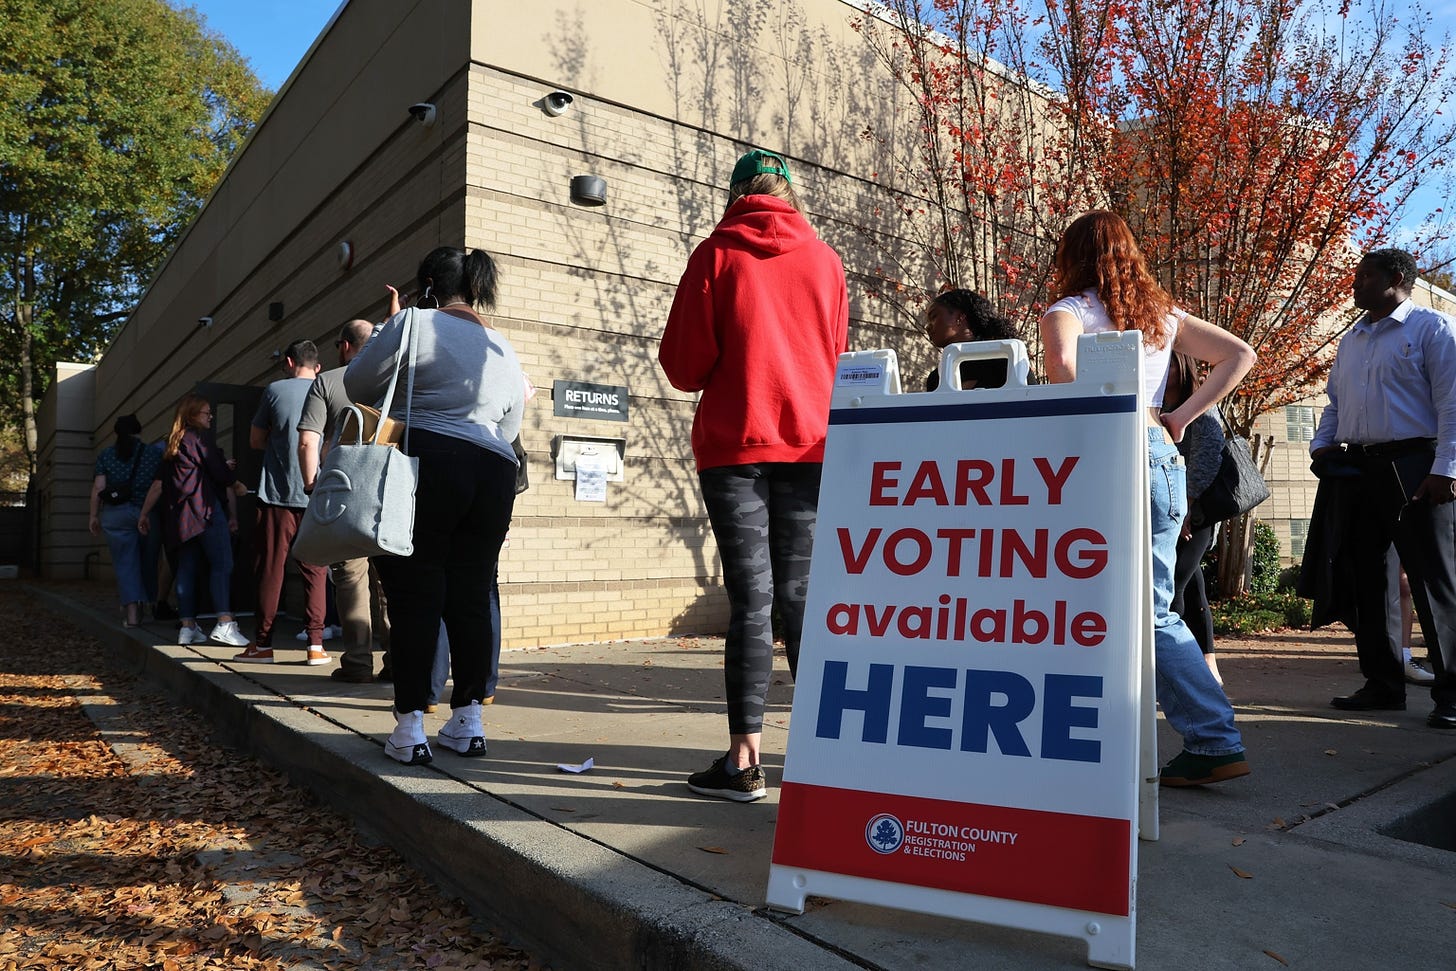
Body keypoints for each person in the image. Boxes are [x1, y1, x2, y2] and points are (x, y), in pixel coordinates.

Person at [1039, 210, 1255, 786]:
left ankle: (1213, 737)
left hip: (1103, 459)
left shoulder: (1070, 311)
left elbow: (1060, 371)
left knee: (1127, 607)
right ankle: (1132, 730)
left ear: (1072, 256)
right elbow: (1241, 354)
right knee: (1139, 603)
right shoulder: (1160, 316)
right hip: (1160, 454)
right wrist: (1180, 416)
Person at [659, 149, 849, 801]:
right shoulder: (825, 262)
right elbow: (835, 353)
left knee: (753, 599)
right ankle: (826, 758)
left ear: (736, 194)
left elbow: (683, 367)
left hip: (736, 450)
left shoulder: (715, 255)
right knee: (802, 599)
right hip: (809, 446)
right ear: (791, 194)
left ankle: (744, 761)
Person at [345, 246, 524, 765]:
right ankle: (468, 721)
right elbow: (508, 427)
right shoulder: (501, 346)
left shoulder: (412, 323)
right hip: (492, 470)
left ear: (427, 285)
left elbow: (357, 384)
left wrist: (390, 329)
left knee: (416, 591)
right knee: (471, 592)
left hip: (429, 461)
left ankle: (410, 727)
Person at [1314, 248, 1456, 729]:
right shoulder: (1352, 338)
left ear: (1396, 278)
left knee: (1432, 578)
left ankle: (1452, 693)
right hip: (1359, 467)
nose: (1355, 282)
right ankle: (1382, 684)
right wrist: (1321, 445)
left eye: (1365, 274)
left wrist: (1447, 468)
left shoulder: (1431, 329)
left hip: (1418, 463)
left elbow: (1453, 404)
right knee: (1369, 578)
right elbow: (1335, 400)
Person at [298, 318, 386, 683]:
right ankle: (397, 663)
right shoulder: (391, 380)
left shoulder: (328, 381)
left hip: (343, 489)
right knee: (387, 580)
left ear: (345, 345)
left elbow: (307, 441)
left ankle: (358, 663)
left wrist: (310, 486)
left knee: (350, 578)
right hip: (385, 490)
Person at [233, 339, 331, 665]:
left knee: (271, 569)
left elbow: (255, 439)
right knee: (316, 570)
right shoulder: (328, 388)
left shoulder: (275, 390)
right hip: (317, 493)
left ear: (289, 362)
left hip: (277, 493)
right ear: (317, 366)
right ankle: (316, 644)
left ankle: (262, 644)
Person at [137, 393, 249, 647]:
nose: (210, 417)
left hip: (179, 519)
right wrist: (237, 484)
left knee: (186, 570)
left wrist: (144, 514)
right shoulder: (198, 438)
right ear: (191, 416)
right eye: (206, 413)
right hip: (205, 513)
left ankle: (188, 627)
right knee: (222, 564)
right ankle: (224, 622)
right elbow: (219, 471)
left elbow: (157, 486)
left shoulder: (172, 447)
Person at [1162, 353, 1227, 686]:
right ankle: (1209, 665)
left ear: (1184, 366)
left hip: (1195, 513)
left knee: (1172, 587)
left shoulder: (1199, 403)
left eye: (1171, 362)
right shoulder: (1151, 405)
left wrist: (1184, 505)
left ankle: (1177, 671)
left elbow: (1208, 455)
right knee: (1193, 587)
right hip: (1164, 511)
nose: (1163, 368)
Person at [89, 414, 164, 627]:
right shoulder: (153, 454)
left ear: (117, 433)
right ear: (139, 431)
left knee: (125, 564)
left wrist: (93, 516)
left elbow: (99, 488)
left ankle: (132, 615)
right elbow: (159, 485)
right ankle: (149, 601)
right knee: (149, 561)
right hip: (147, 513)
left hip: (116, 514)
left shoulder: (106, 455)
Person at [921, 288, 1020, 391]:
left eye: (933, 317)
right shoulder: (936, 379)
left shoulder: (1006, 361)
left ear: (960, 317)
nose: (928, 327)